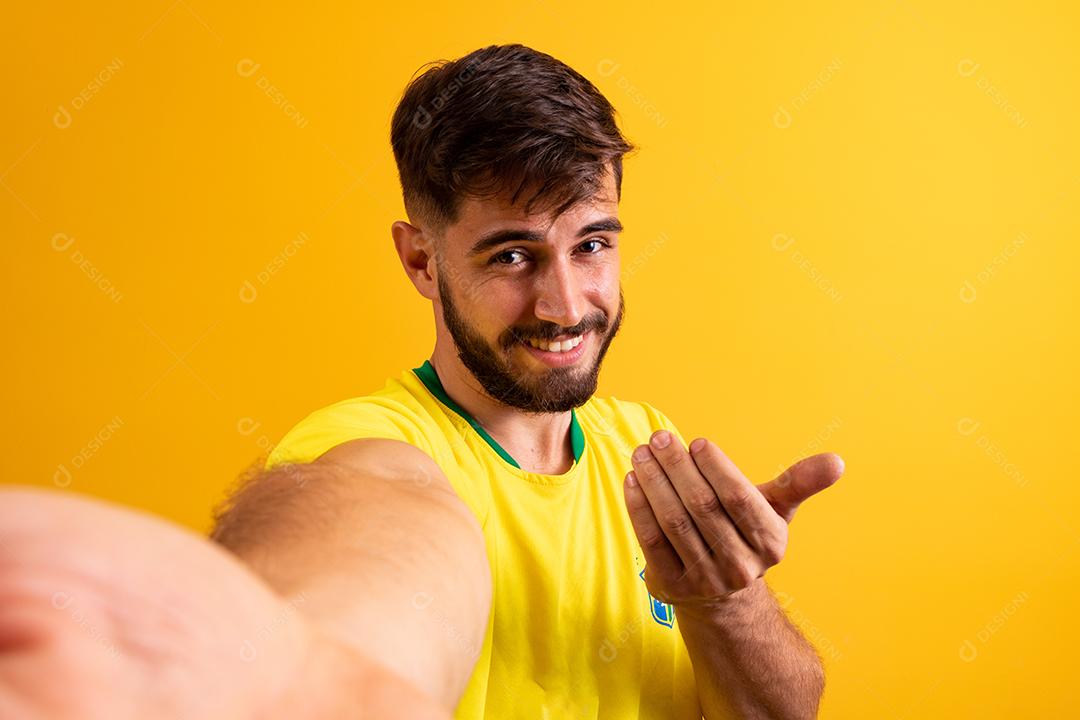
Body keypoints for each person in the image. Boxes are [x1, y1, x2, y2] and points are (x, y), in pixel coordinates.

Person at [0, 44, 844, 719]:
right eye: (511, 256)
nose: (565, 304)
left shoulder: (648, 451)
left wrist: (724, 601)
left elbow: (782, 712)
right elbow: (368, 547)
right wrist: (297, 668)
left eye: (591, 245)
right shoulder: (364, 446)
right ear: (420, 261)